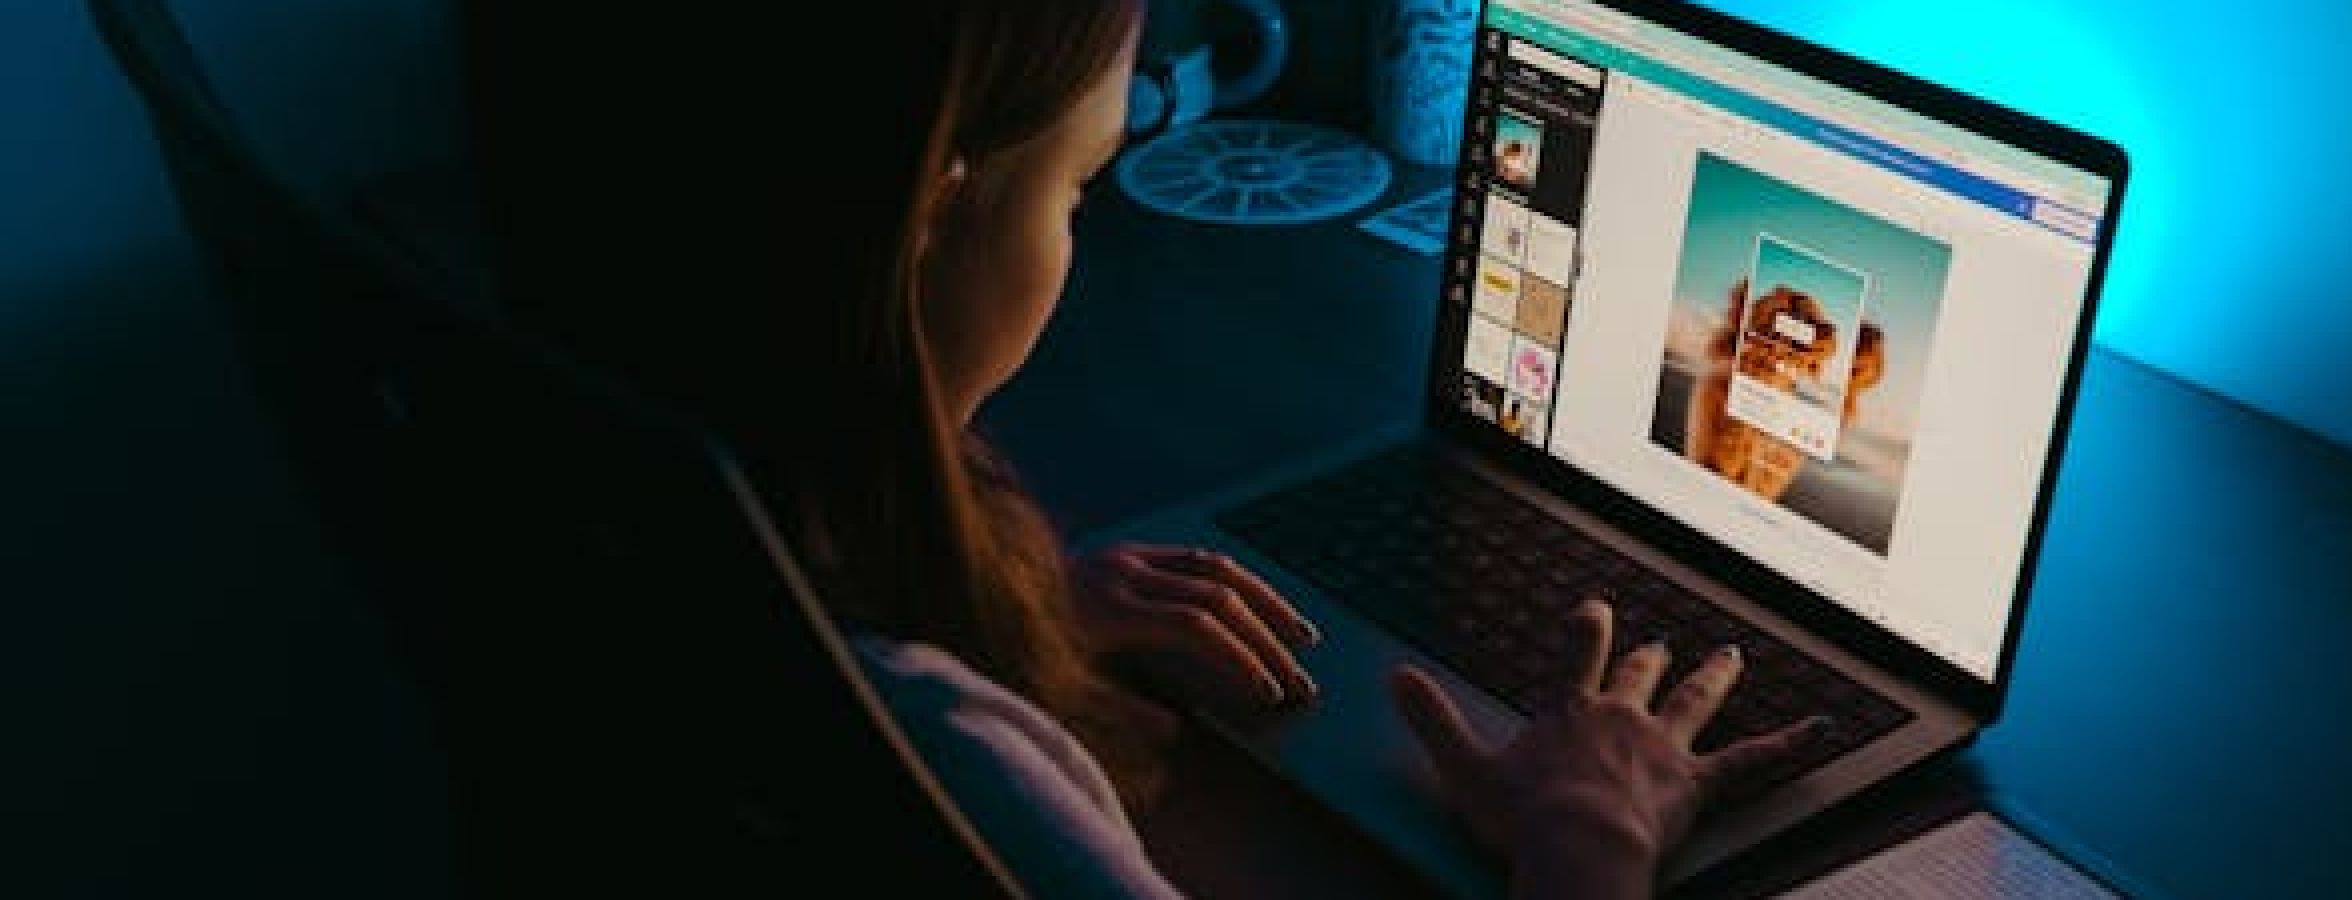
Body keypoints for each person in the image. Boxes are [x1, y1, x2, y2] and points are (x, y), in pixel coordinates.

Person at [461, 3, 1819, 897]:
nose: (1079, 238)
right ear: (926, 214)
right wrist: (1588, 843)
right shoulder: (941, 744)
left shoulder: (645, 493)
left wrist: (1020, 609)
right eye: (1079, 185)